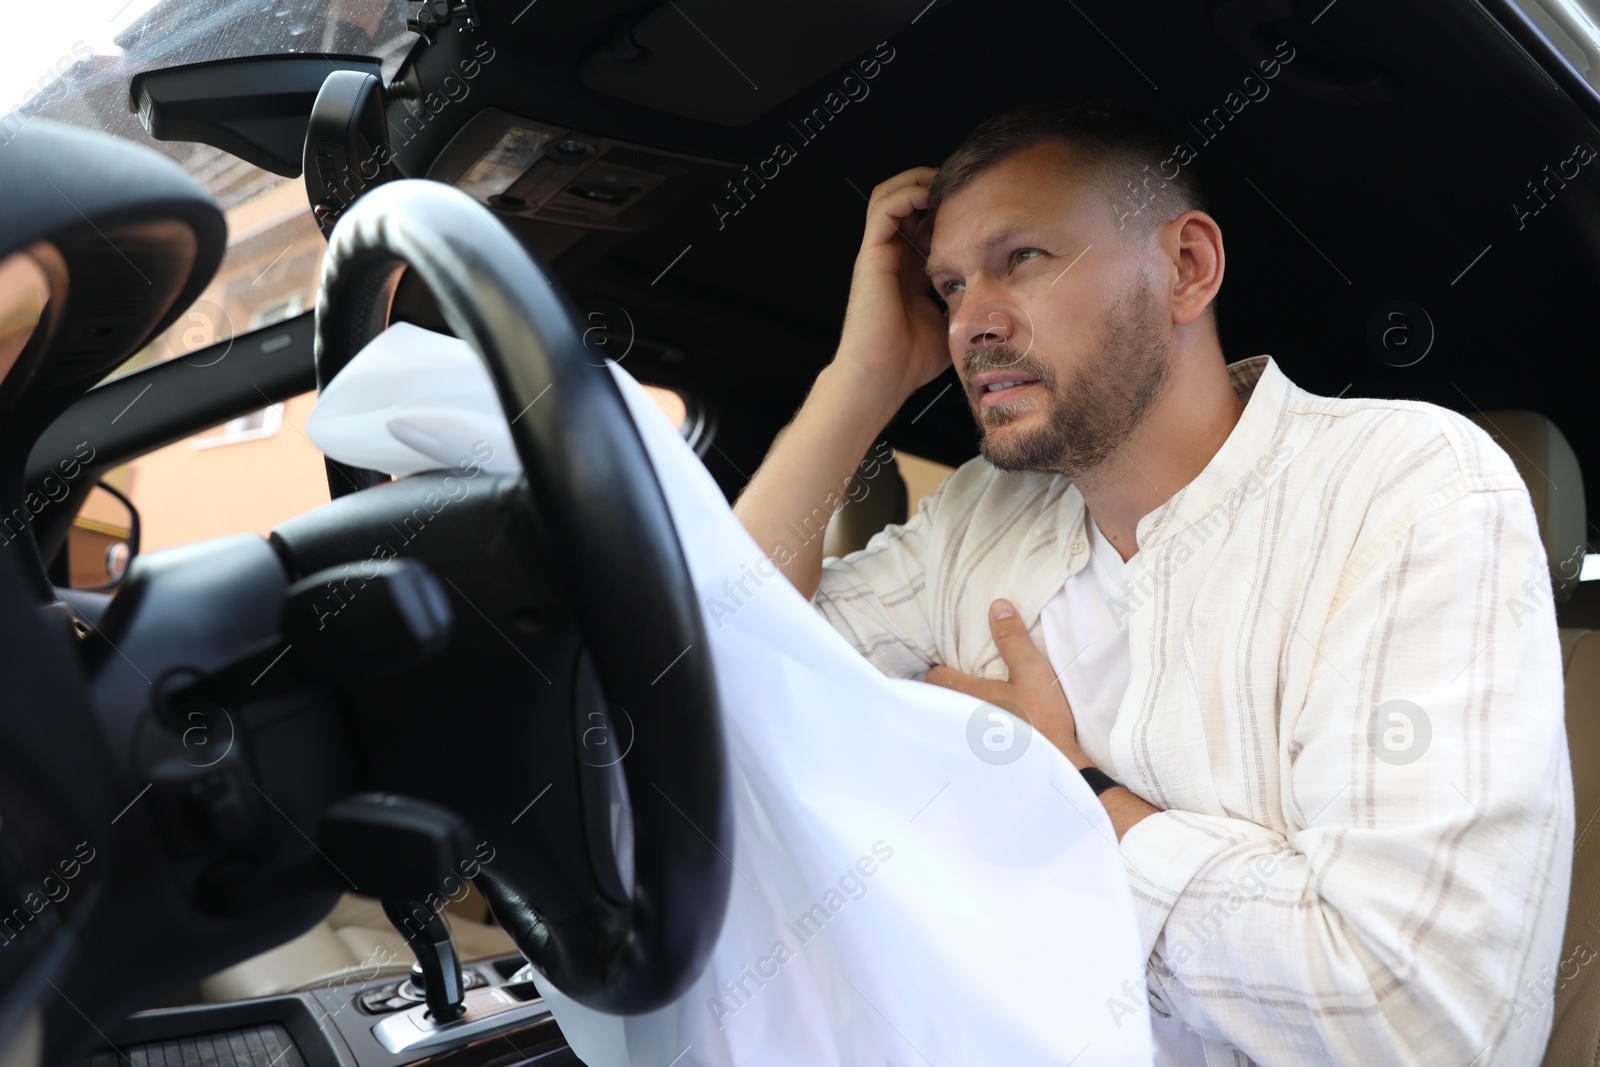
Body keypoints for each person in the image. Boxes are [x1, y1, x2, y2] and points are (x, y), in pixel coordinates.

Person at [731, 99, 1574, 1065]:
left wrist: (1066, 792)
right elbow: (721, 667)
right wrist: (864, 374)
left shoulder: (1404, 485)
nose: (971, 321)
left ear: (1186, 268)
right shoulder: (979, 517)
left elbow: (1414, 1025)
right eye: (949, 286)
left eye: (1023, 260)